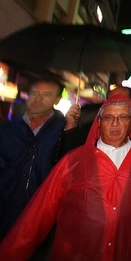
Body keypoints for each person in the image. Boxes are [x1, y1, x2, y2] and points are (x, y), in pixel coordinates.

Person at [0, 95, 131, 260]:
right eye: (109, 117)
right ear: (99, 122)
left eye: (122, 117)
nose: (115, 123)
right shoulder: (74, 161)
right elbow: (39, 212)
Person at [0, 77, 81, 241]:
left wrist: (71, 130)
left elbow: (71, 169)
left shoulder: (64, 130)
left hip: (40, 214)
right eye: (35, 93)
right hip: (4, 208)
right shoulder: (7, 129)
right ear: (27, 95)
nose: (38, 99)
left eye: (47, 95)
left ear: (57, 99)